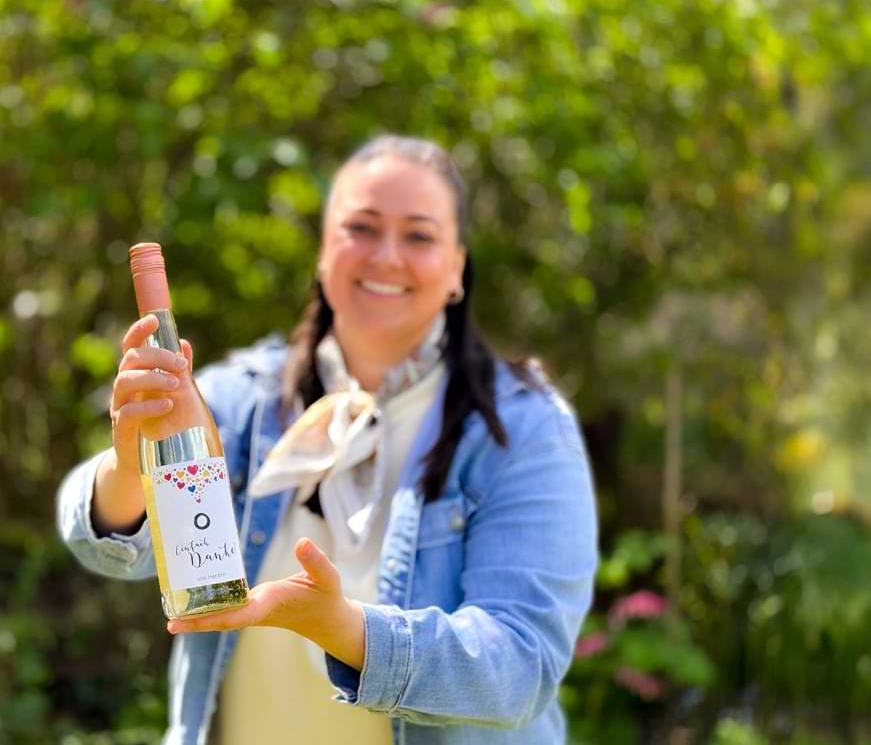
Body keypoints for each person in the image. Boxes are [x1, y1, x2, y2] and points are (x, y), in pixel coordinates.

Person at [56, 135, 599, 745]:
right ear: (323, 251)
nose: (386, 256)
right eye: (360, 228)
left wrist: (343, 629)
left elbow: (520, 667)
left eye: (419, 236)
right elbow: (101, 546)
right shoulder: (244, 398)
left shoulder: (525, 428)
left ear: (456, 268)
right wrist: (129, 467)